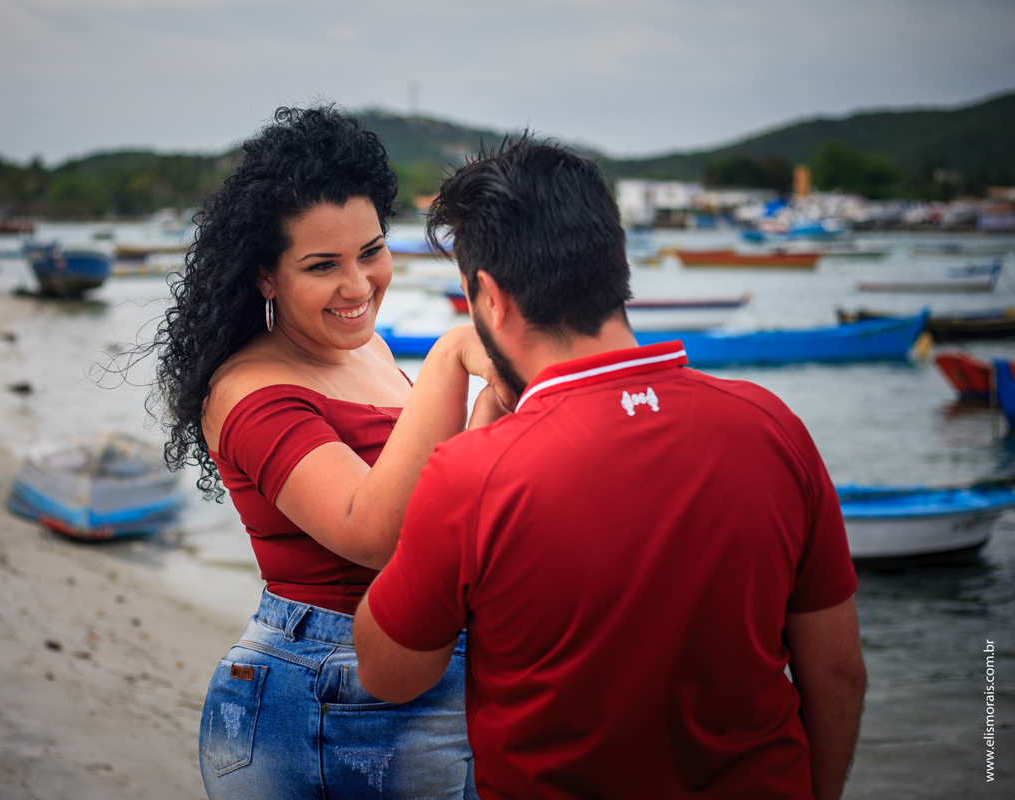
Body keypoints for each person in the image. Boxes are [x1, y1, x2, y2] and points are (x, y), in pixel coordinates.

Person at [353, 138, 868, 800]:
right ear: (614, 267)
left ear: (490, 299)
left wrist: (471, 444)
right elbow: (838, 672)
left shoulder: (474, 474)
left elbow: (388, 671)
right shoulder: (772, 426)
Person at [156, 107, 501, 798]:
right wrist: (450, 360)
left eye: (371, 252)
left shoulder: (365, 347)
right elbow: (374, 534)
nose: (358, 286)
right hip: (326, 689)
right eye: (323, 266)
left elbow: (451, 491)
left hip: (413, 673)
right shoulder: (249, 390)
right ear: (265, 277)